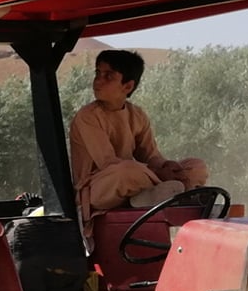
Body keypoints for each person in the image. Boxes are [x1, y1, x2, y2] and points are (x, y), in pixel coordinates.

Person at [68, 49, 208, 230]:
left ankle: (154, 194)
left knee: (196, 166)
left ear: (127, 86)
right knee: (126, 170)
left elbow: (151, 156)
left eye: (108, 76)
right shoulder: (87, 116)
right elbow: (107, 163)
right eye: (97, 73)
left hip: (139, 178)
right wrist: (160, 174)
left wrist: (167, 166)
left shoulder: (137, 115)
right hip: (100, 188)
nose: (98, 81)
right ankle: (177, 192)